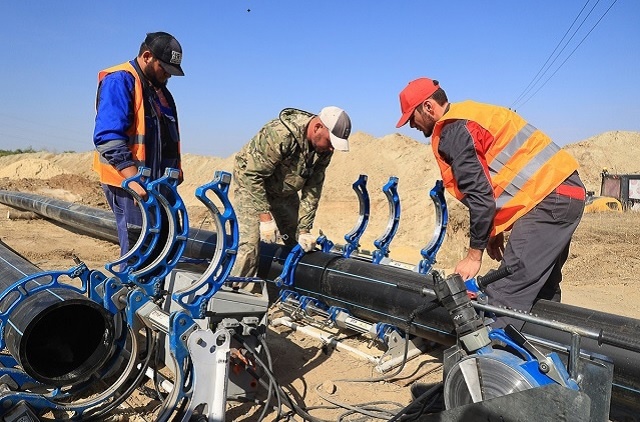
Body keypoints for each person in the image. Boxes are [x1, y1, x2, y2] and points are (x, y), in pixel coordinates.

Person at [396, 77, 585, 329]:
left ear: (428, 107)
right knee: (541, 290)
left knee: (503, 297)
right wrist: (493, 231)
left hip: (548, 200)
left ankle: (490, 365)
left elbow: (481, 197)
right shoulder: (473, 114)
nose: (411, 125)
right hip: (565, 194)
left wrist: (474, 255)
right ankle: (551, 353)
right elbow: (500, 180)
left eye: (411, 117)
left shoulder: (453, 129)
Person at [230, 106, 352, 281]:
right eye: (330, 141)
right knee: (250, 245)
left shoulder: (323, 150)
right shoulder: (281, 134)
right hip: (252, 185)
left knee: (298, 243)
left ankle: (293, 285)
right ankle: (234, 289)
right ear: (317, 127)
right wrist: (265, 218)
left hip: (283, 191)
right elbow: (252, 175)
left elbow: (312, 190)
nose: (332, 149)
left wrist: (304, 229)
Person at [92, 32, 185, 259]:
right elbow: (108, 136)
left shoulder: (160, 92)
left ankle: (155, 295)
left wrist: (173, 176)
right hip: (131, 184)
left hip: (158, 186)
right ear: (146, 56)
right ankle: (129, 294)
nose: (168, 76)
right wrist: (133, 180)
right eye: (164, 69)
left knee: (164, 248)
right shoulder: (120, 80)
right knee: (139, 250)